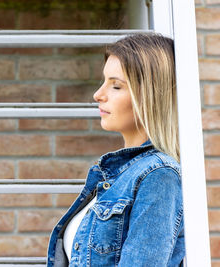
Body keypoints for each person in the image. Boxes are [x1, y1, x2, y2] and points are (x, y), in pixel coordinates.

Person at [47, 33, 184, 266]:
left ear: (149, 95)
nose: (98, 95)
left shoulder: (158, 175)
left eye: (116, 86)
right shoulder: (119, 174)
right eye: (104, 82)